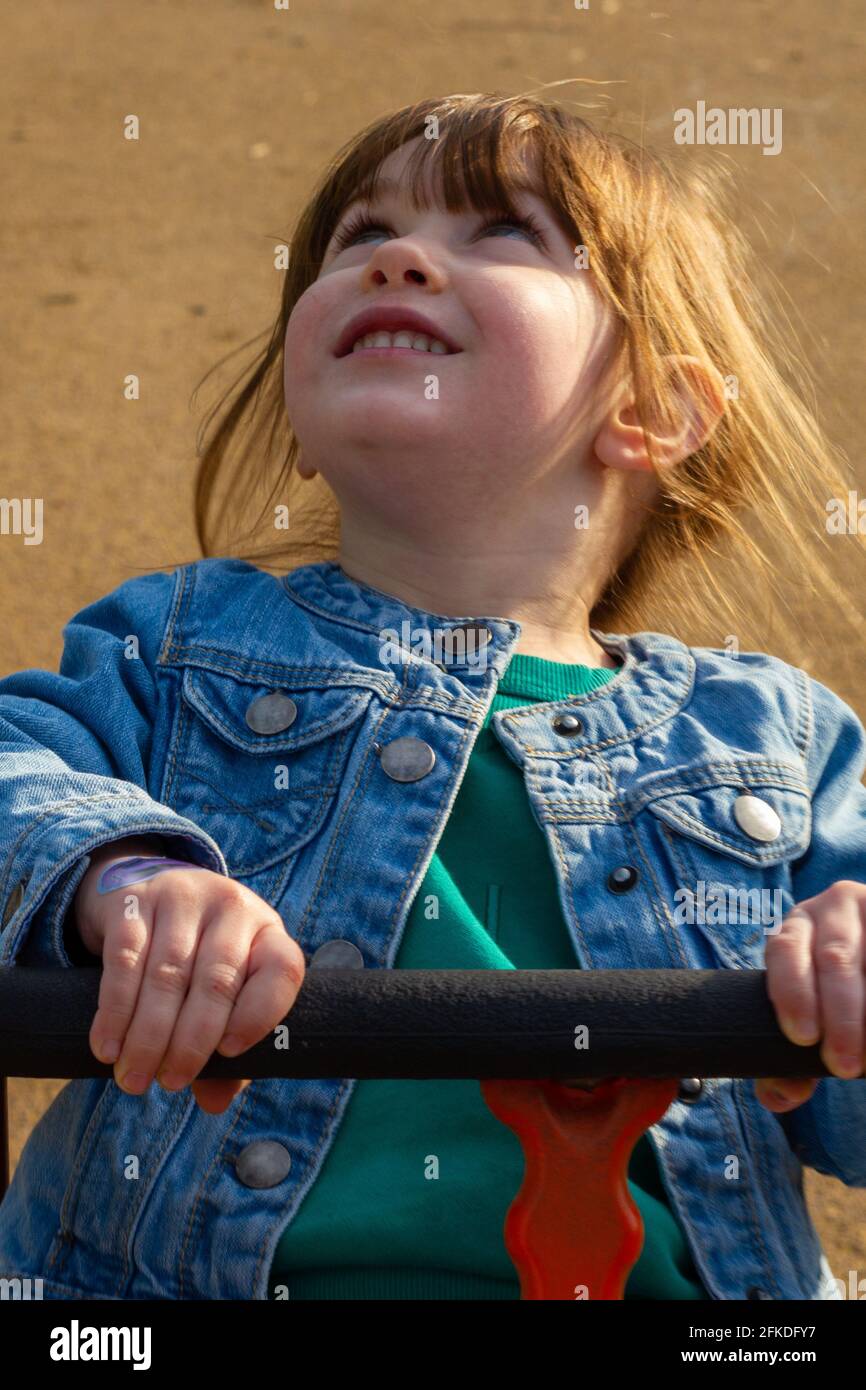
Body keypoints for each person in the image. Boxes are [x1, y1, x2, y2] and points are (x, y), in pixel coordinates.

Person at [0, 92, 864, 1302]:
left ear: (655, 410)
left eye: (505, 232)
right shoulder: (180, 646)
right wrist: (122, 876)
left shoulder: (771, 738)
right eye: (359, 237)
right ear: (300, 423)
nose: (398, 258)